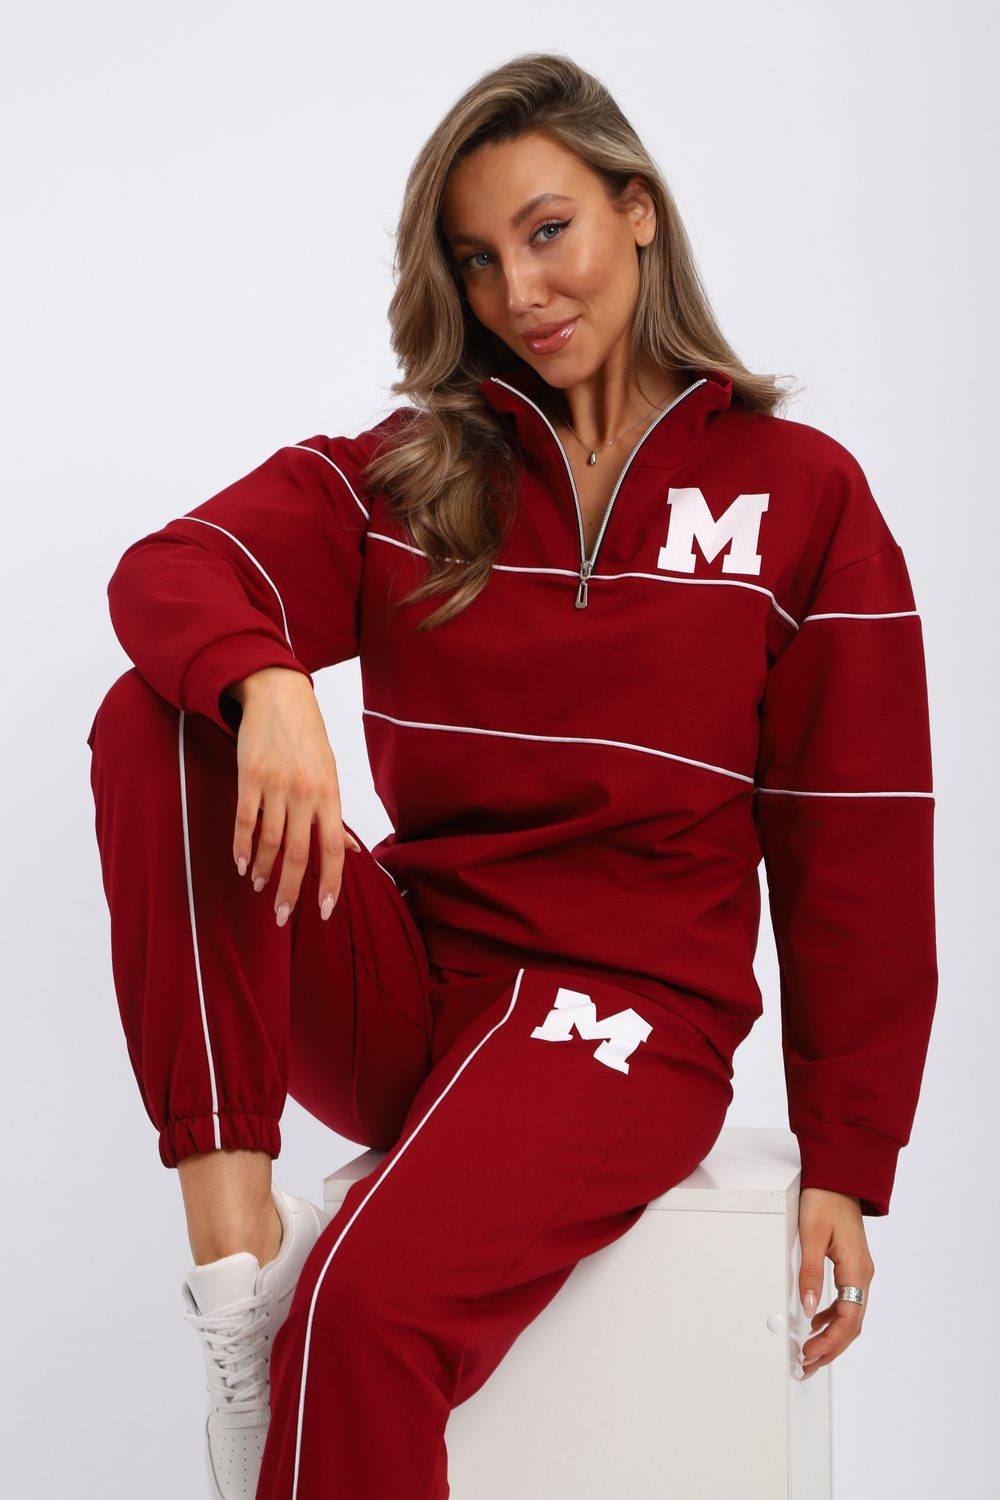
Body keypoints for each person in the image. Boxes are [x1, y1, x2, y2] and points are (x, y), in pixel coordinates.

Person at [85, 51, 938, 1500]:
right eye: (477, 260)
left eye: (549, 232)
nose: (520, 291)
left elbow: (856, 845)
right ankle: (234, 1282)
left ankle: (297, 1337)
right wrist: (270, 680)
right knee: (159, 715)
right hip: (415, 987)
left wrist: (848, 1162)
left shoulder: (803, 496)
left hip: (624, 1021)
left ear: (638, 211)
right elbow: (173, 568)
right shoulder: (420, 476)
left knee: (362, 1313)